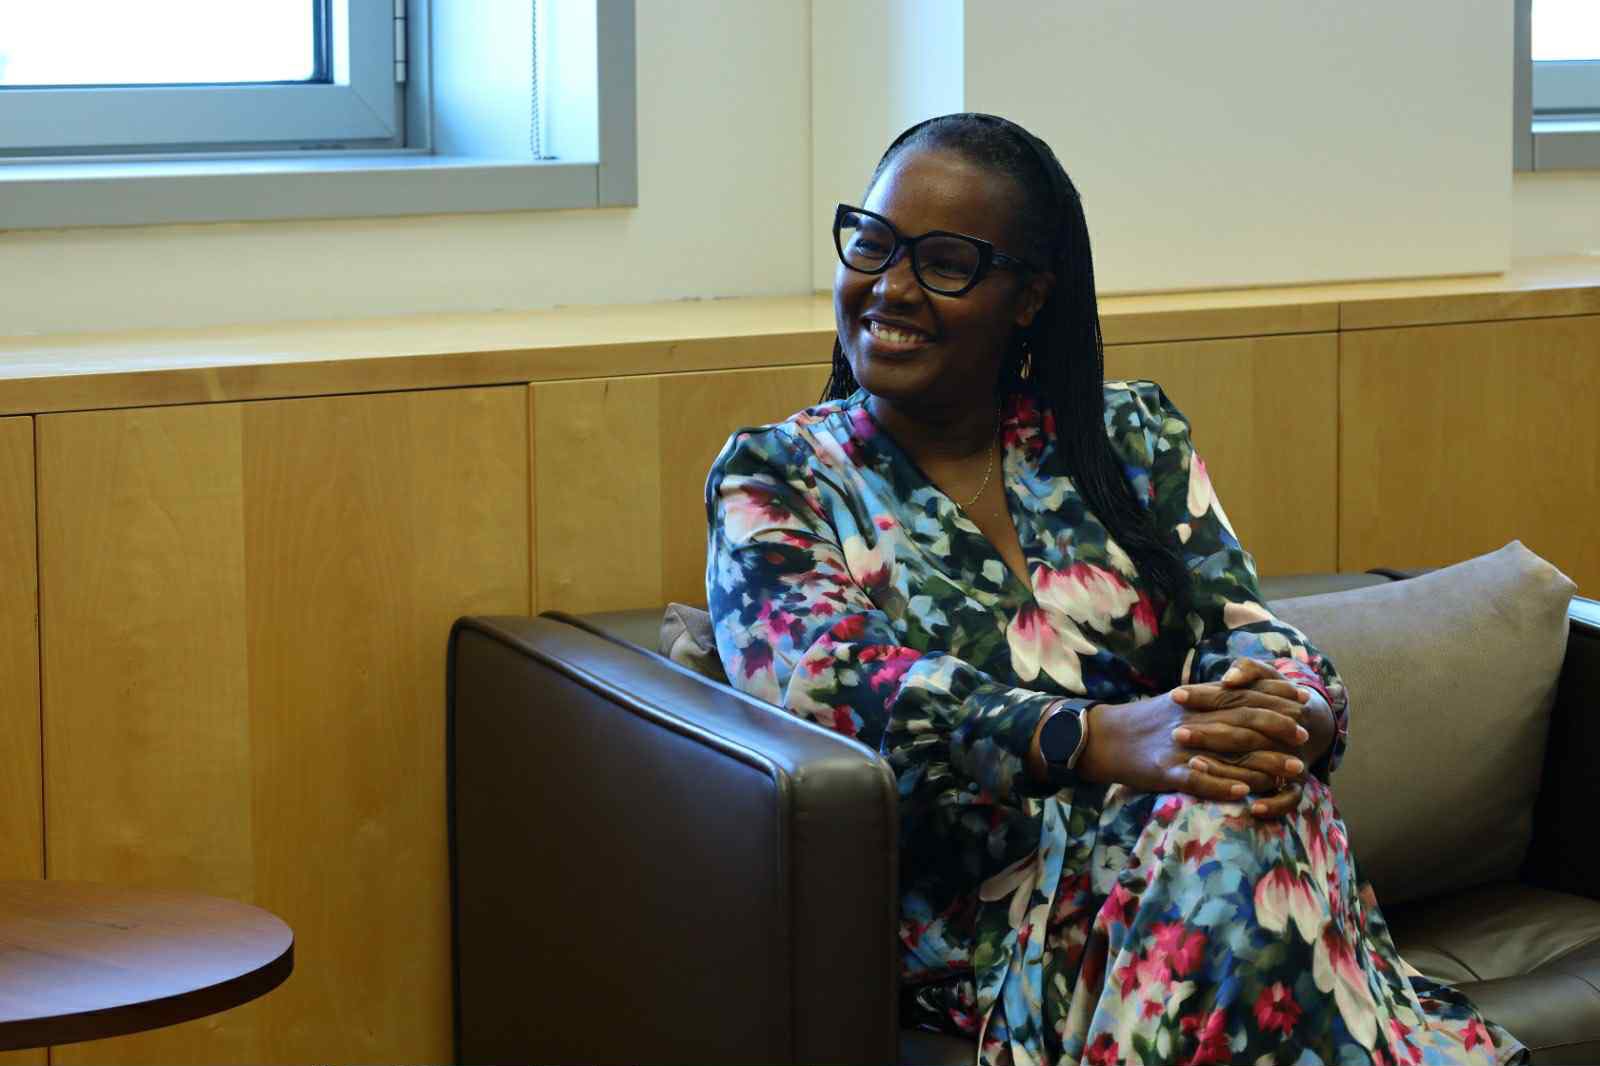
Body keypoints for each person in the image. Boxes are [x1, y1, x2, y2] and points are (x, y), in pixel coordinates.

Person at [704, 112, 1524, 1066]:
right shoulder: (777, 478)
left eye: (945, 263)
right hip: (985, 926)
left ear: (1029, 298)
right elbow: (833, 685)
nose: (890, 286)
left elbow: (1238, 622)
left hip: (1188, 850)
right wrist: (1093, 738)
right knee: (1240, 840)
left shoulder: (1126, 436)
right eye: (874, 243)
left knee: (1245, 811)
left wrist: (1294, 712)